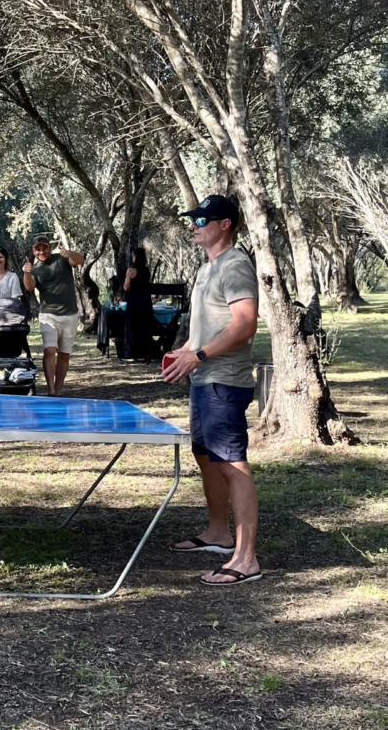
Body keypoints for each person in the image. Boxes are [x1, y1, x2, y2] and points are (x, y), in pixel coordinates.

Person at [163, 194, 261, 587]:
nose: (195, 225)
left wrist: (199, 354)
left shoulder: (235, 264)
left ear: (225, 224)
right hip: (203, 378)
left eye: (203, 219)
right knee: (205, 456)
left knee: (231, 463)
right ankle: (219, 534)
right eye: (194, 219)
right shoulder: (207, 269)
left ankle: (247, 558)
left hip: (225, 380)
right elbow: (207, 326)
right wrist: (184, 351)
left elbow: (244, 324)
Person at [22, 233, 84, 395]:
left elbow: (80, 260)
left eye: (44, 248)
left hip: (70, 315)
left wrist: (70, 253)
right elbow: (29, 287)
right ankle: (50, 390)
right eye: (38, 249)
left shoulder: (61, 260)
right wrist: (26, 273)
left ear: (49, 248)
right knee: (49, 351)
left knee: (64, 354)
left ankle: (58, 389)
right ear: (34, 251)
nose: (41, 252)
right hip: (48, 315)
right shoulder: (34, 270)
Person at [122, 247, 157, 360]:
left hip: (133, 301)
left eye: (133, 255)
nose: (132, 257)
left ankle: (130, 353)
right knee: (143, 328)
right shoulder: (146, 270)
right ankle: (144, 353)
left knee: (131, 327)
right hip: (145, 302)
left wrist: (127, 277)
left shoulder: (131, 270)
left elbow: (126, 287)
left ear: (136, 257)